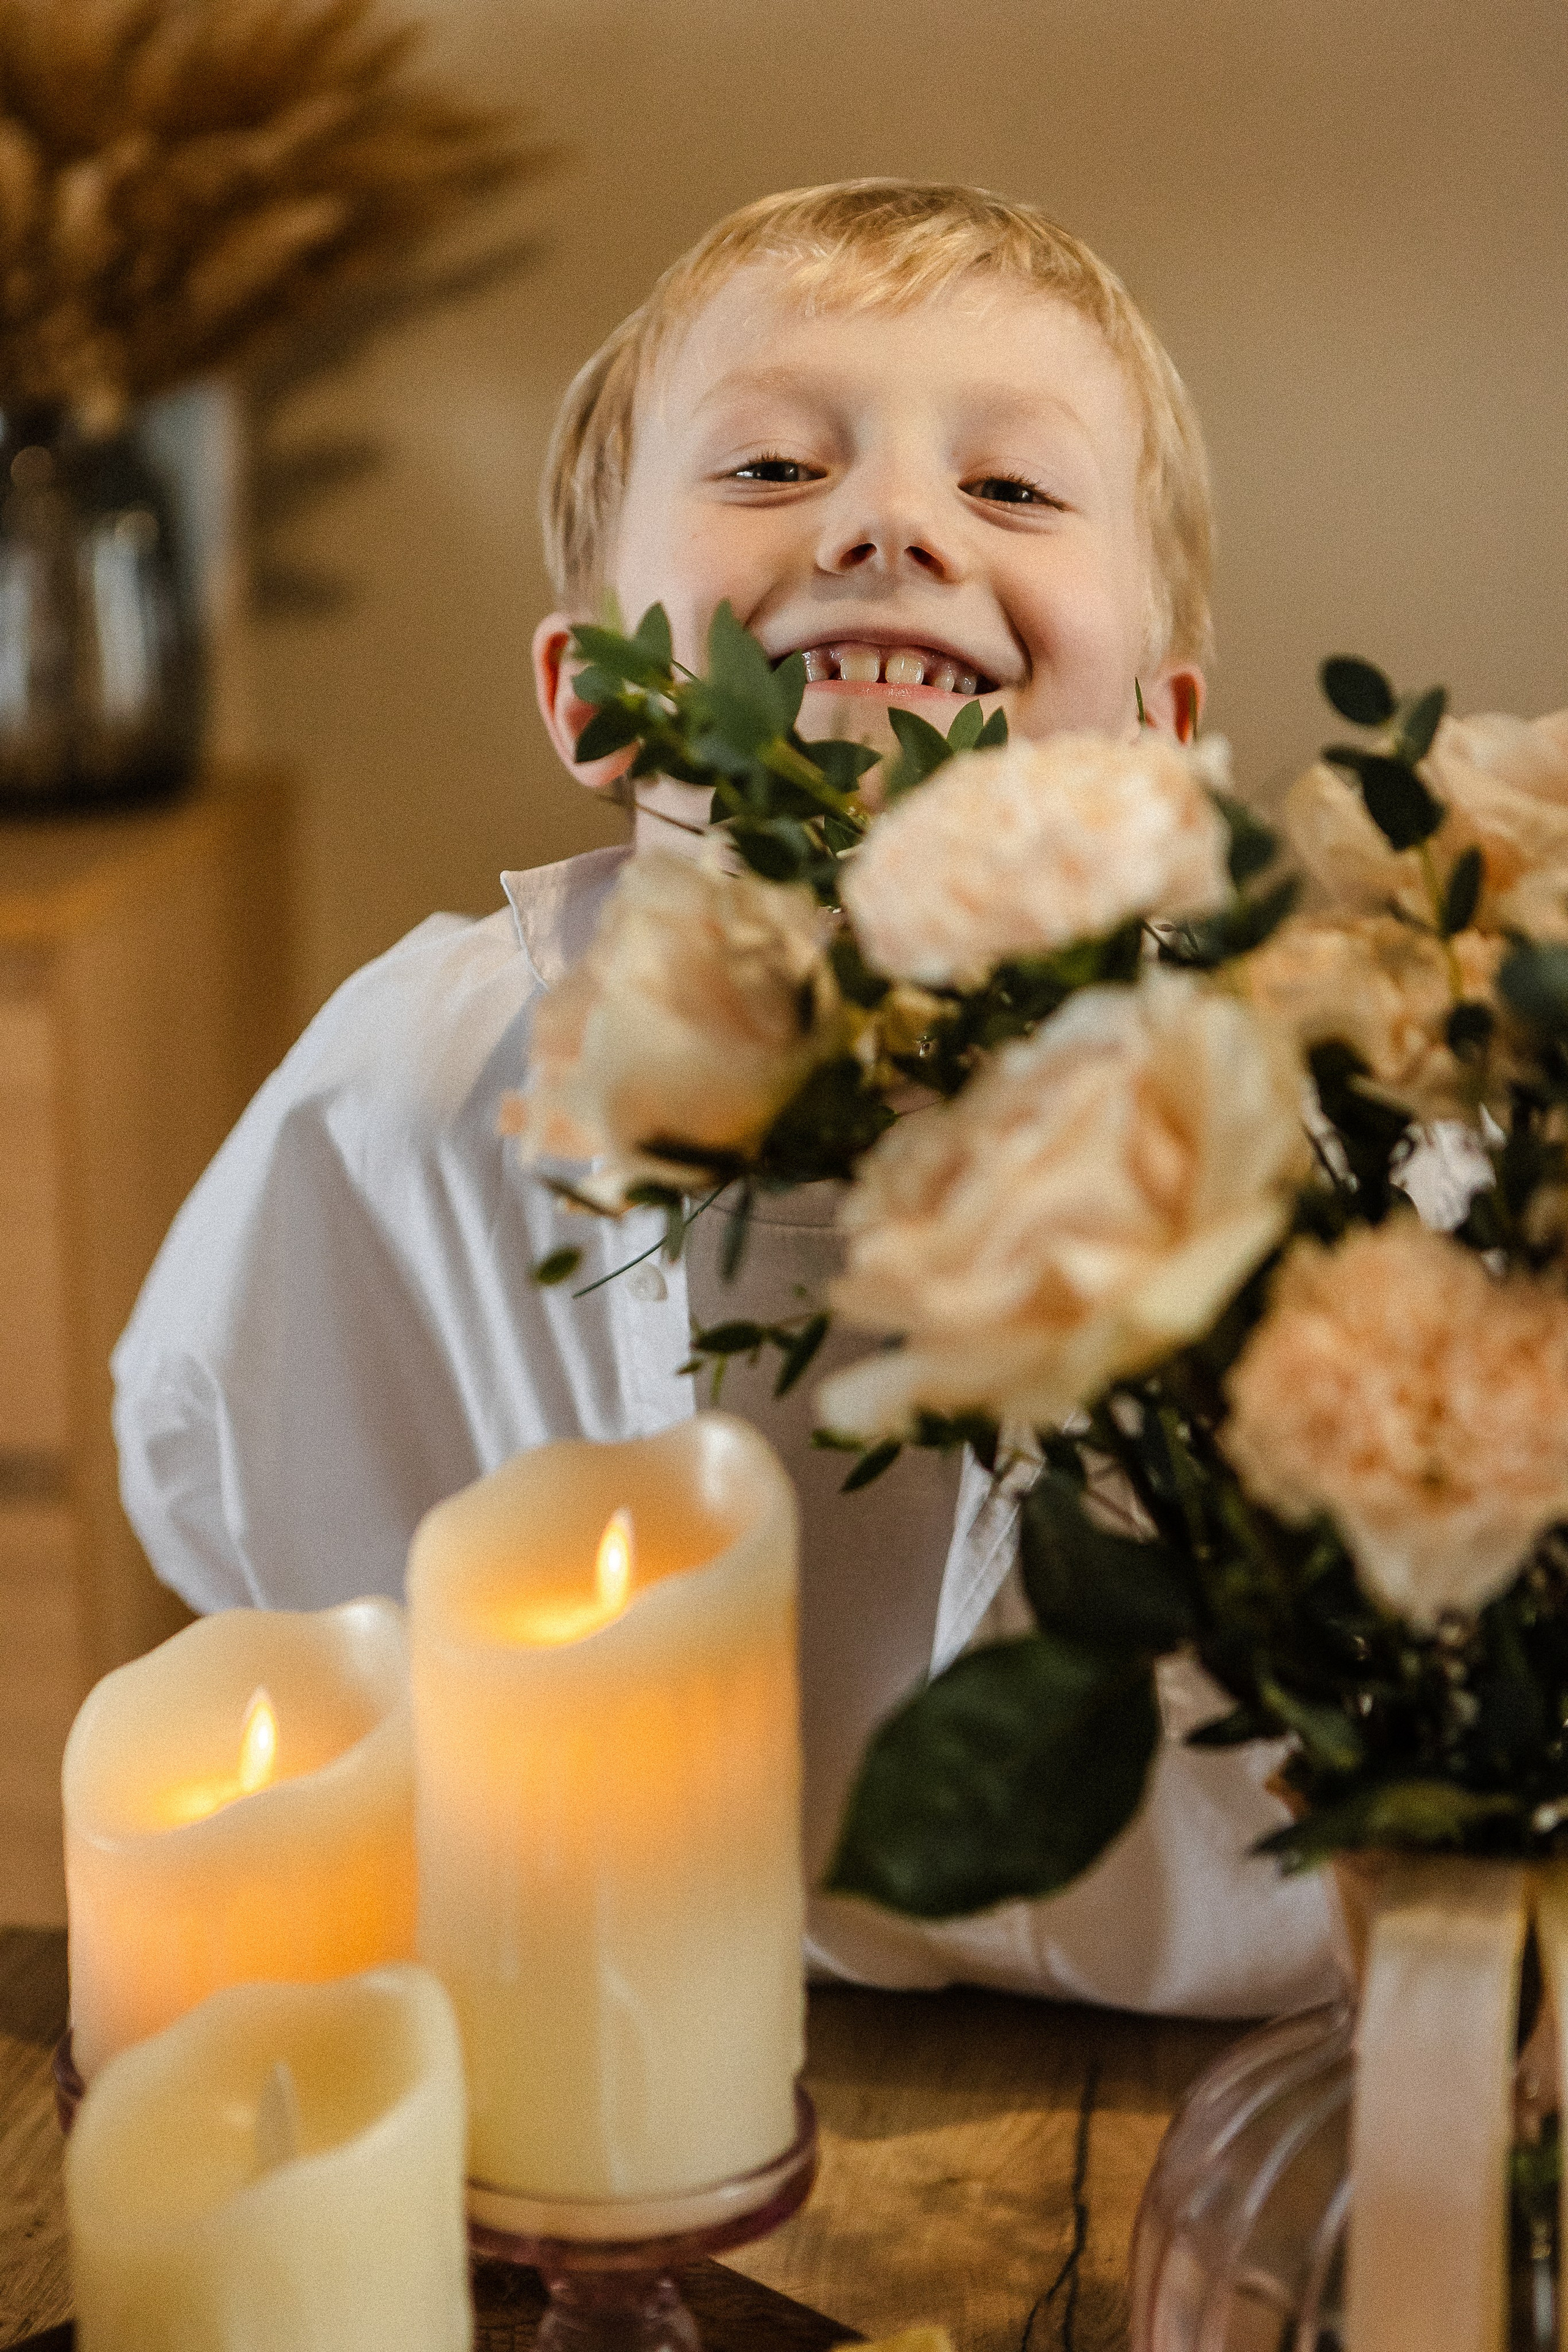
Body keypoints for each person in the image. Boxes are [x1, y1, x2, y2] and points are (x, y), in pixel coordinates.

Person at [113, 179, 1336, 2016]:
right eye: (770, 469)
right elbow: (224, 1464)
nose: (891, 522)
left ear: (1163, 738)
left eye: (1009, 487)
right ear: (594, 698)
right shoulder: (418, 1087)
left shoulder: (1329, 1134)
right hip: (592, 2038)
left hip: (1235, 2104)